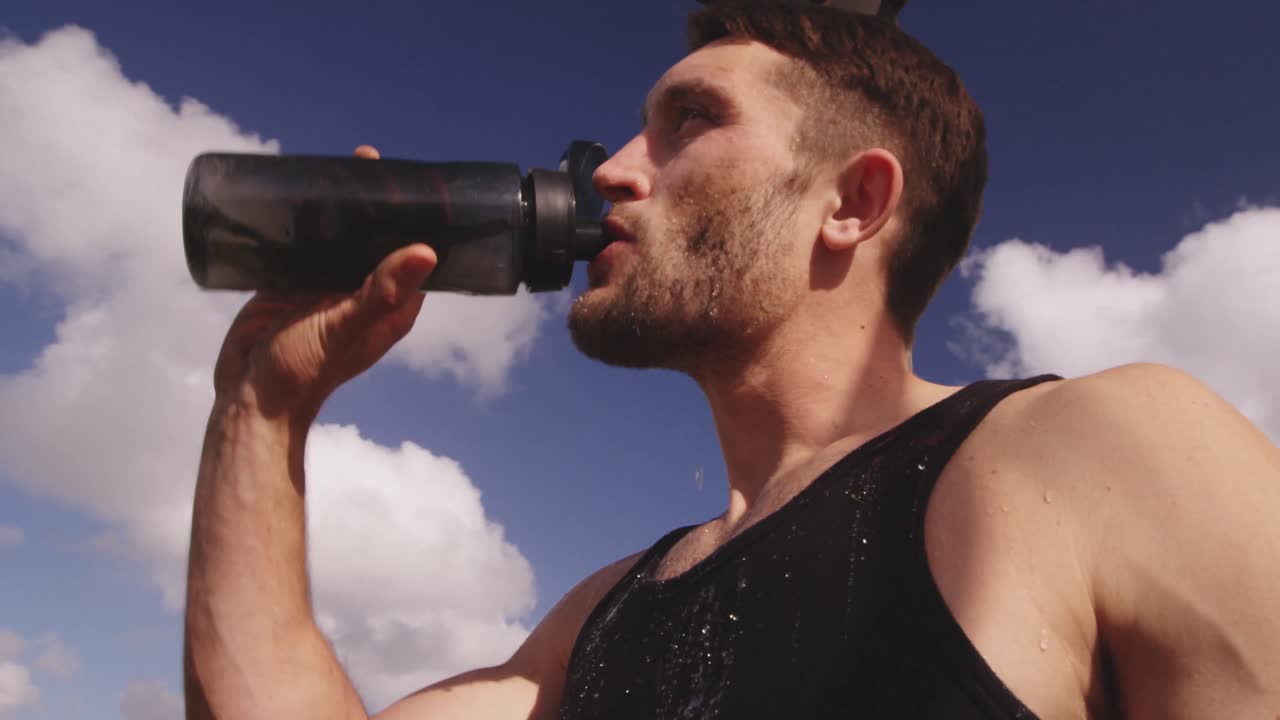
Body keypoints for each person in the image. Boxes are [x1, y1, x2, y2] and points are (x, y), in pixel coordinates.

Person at [182, 2, 1280, 718]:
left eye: (686, 123)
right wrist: (259, 408)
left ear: (851, 202)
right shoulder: (600, 620)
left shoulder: (1111, 451)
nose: (611, 171)